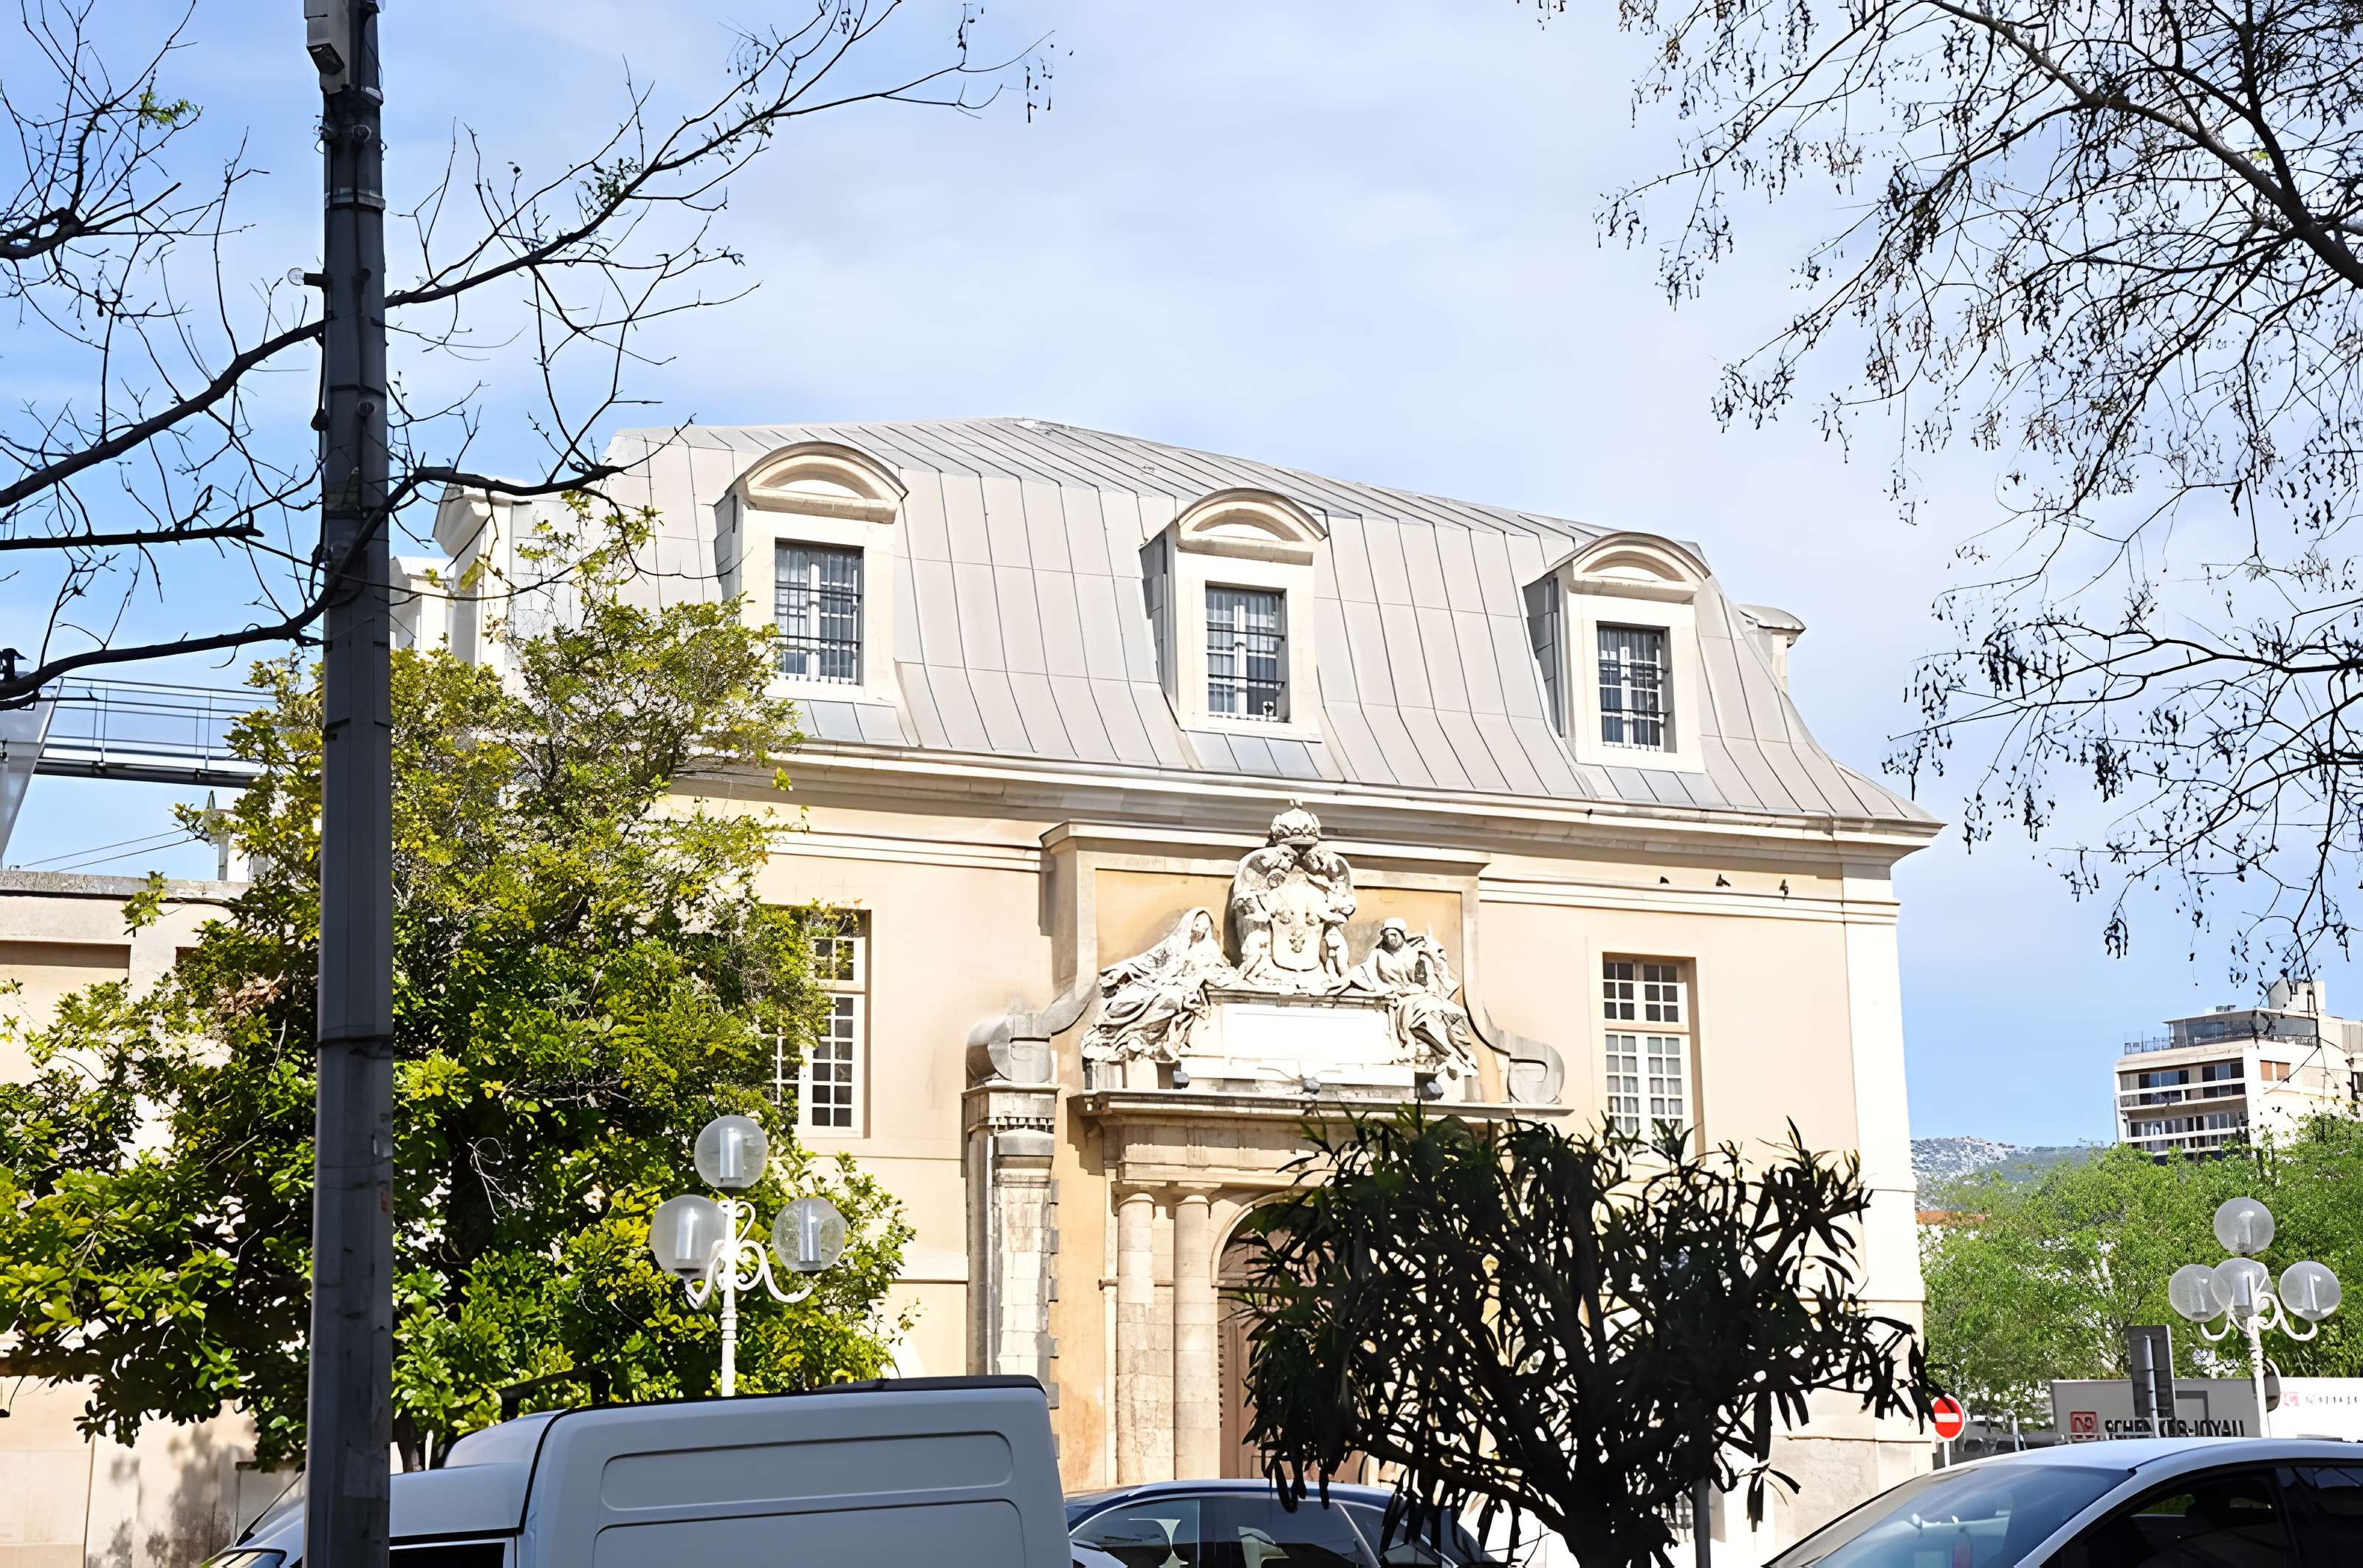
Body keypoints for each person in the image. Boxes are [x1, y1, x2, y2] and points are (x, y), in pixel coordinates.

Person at [1081, 907, 1235, 1065]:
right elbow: (1148, 959)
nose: (1201, 928)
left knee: (1170, 997)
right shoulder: (1174, 943)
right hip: (1157, 982)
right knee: (1126, 999)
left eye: (1205, 925)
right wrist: (1124, 968)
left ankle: (1144, 1037)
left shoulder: (1209, 949)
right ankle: (1114, 1034)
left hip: (1184, 989)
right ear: (1190, 923)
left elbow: (1213, 971)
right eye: (1198, 923)